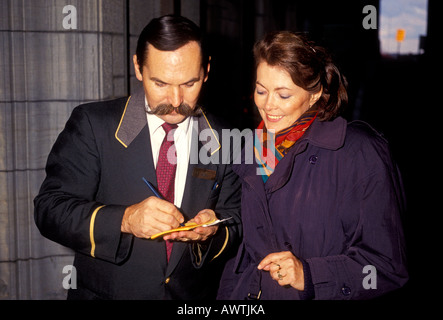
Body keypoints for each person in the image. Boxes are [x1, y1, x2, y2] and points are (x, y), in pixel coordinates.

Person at [34, 15, 241, 300]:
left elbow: (237, 220)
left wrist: (211, 231)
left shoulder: (224, 136)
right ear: (138, 68)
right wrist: (125, 219)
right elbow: (50, 211)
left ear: (206, 70)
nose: (176, 100)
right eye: (161, 84)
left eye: (189, 83)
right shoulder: (94, 125)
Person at [217, 31, 408, 300]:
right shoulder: (253, 148)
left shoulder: (359, 152)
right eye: (261, 90)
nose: (267, 105)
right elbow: (247, 255)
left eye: (283, 95)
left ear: (315, 94)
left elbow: (386, 268)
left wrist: (309, 275)